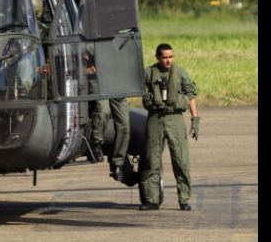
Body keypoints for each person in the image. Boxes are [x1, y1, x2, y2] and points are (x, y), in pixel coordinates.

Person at [139, 43, 200, 211]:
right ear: (158, 57)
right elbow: (134, 84)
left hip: (175, 119)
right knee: (152, 159)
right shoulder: (149, 72)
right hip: (155, 118)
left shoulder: (180, 73)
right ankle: (151, 199)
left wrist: (195, 119)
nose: (168, 61)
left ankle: (184, 198)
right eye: (165, 57)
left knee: (181, 160)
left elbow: (191, 95)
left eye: (171, 57)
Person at [84, 46, 130, 182]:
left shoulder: (121, 41)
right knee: (103, 110)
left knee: (124, 124)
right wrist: (88, 67)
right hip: (99, 80)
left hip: (117, 80)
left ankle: (118, 163)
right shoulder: (91, 38)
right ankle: (96, 143)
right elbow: (82, 56)